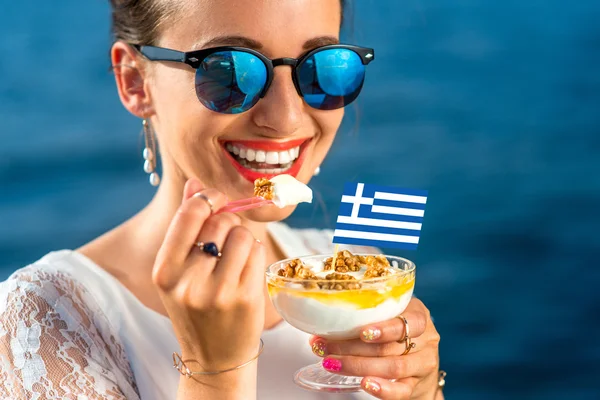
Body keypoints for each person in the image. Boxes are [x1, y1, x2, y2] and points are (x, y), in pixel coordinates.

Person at [0, 0, 443, 399]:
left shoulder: (353, 268)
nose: (286, 118)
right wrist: (214, 374)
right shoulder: (43, 319)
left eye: (321, 67)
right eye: (230, 71)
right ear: (134, 81)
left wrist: (423, 392)